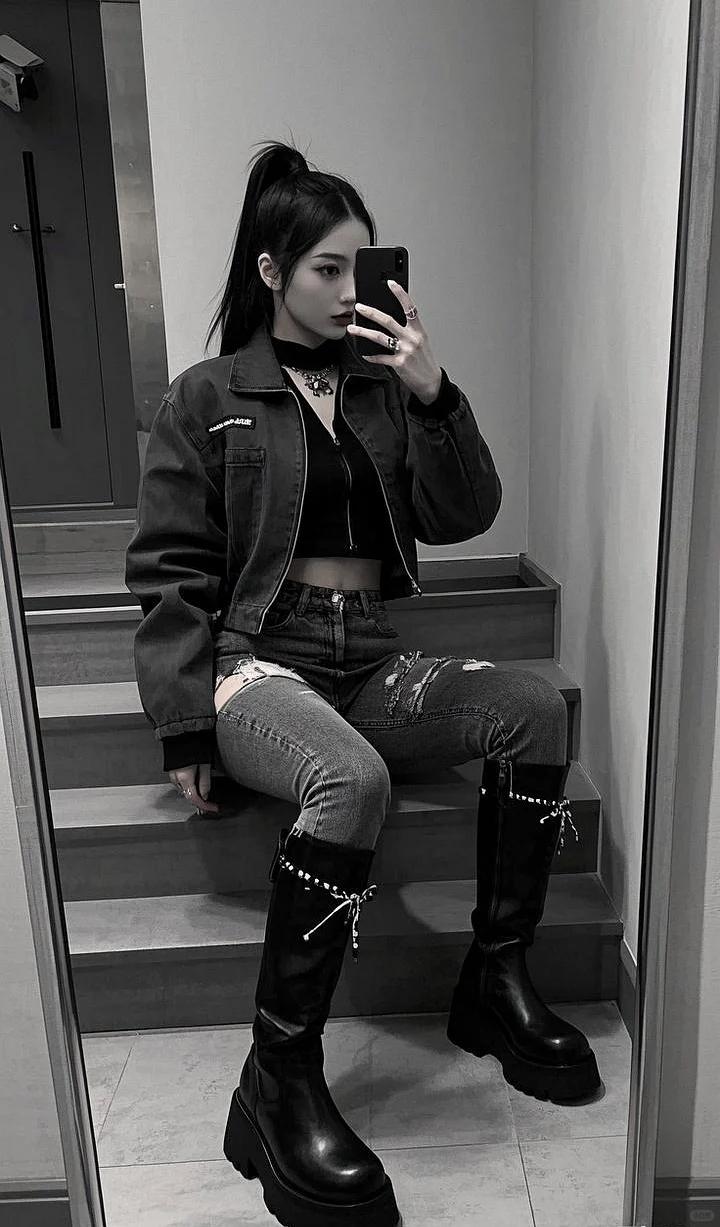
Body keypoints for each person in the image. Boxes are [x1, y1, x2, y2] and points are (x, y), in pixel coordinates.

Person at [125, 139, 601, 1227]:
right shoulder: (209, 396)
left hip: (370, 656)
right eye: (326, 269)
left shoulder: (386, 391)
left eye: (360, 267)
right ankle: (278, 1078)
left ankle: (496, 980)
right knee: (352, 781)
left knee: (531, 708)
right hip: (257, 660)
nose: (350, 291)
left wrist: (435, 391)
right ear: (271, 271)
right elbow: (168, 569)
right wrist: (185, 722)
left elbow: (463, 512)